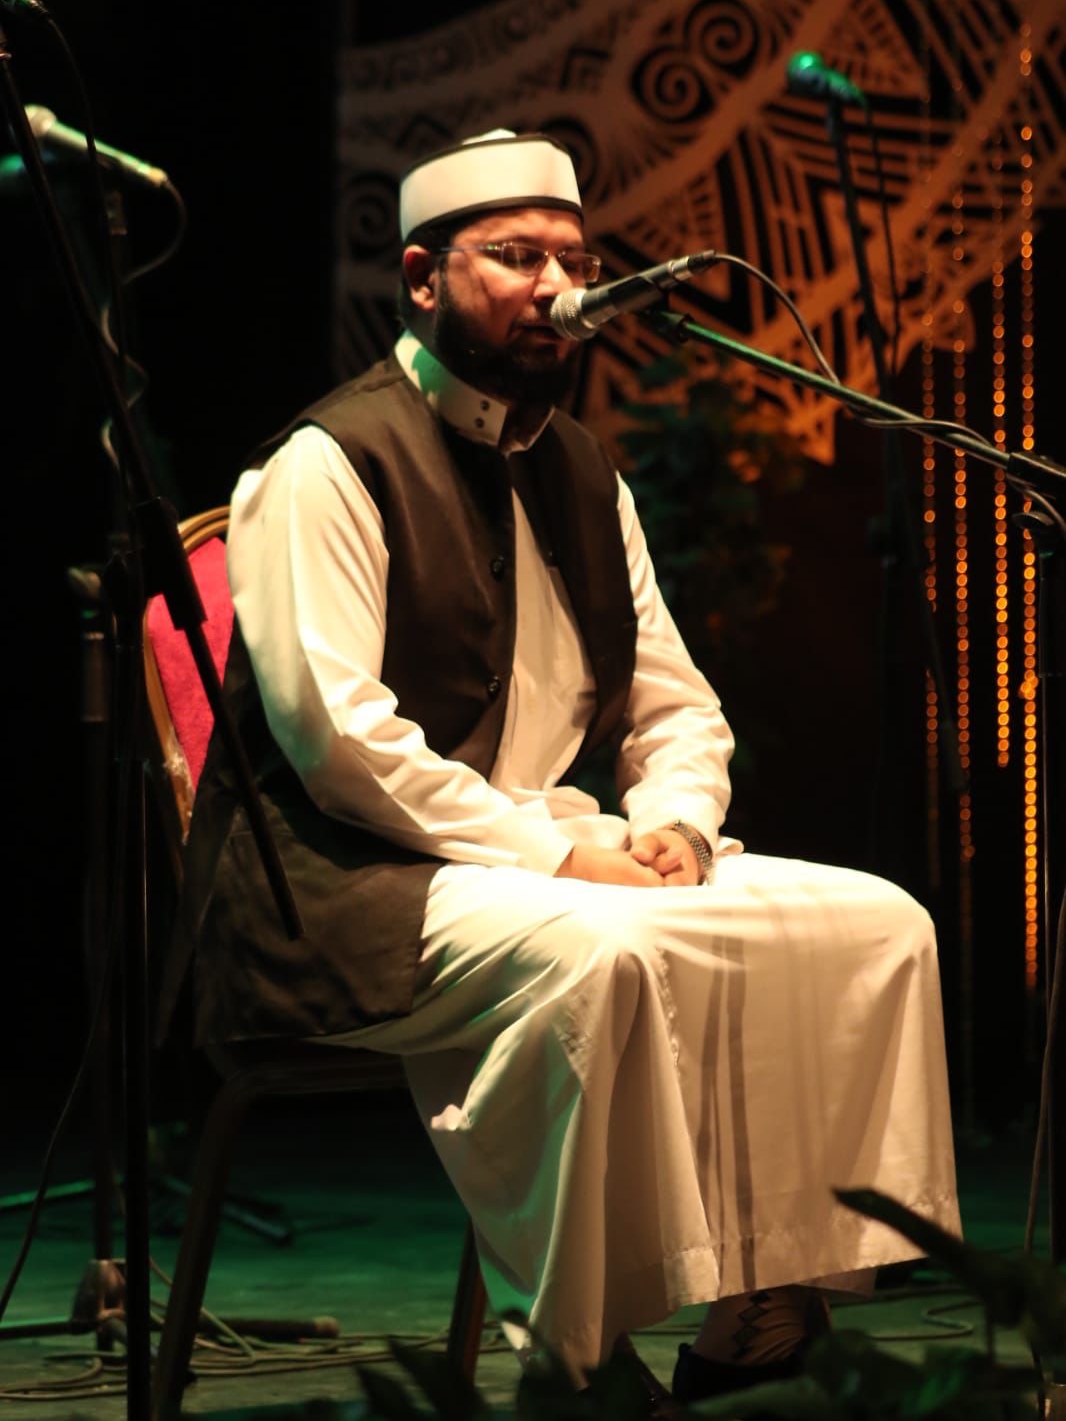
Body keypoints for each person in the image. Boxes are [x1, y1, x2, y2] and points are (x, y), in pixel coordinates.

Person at [174, 129, 960, 1410]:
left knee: (873, 923)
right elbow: (338, 741)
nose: (554, 287)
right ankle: (578, 1358)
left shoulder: (583, 472)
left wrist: (678, 825)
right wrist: (559, 855)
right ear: (422, 277)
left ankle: (770, 1300)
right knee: (602, 958)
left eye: (574, 261)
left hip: (538, 853)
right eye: (514, 257)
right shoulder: (328, 461)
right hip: (341, 883)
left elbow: (674, 703)